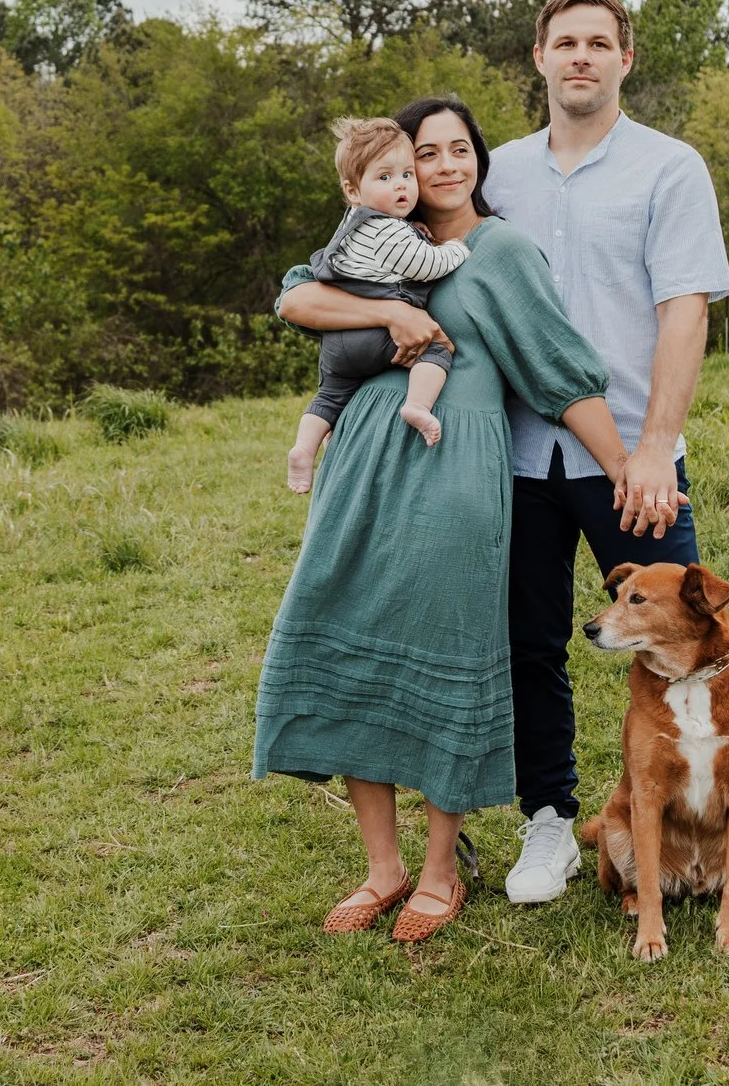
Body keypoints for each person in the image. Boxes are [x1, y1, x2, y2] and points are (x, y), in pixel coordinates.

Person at [256, 97, 676, 942]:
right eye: (422, 155)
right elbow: (295, 298)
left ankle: (442, 869)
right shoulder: (371, 235)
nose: (440, 168)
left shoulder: (498, 250)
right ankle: (383, 866)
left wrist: (626, 462)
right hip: (361, 461)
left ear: (477, 159)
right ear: (394, 169)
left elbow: (559, 374)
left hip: (453, 462)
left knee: (450, 646)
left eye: (456, 151)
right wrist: (389, 311)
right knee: (333, 626)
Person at [490, 0, 729, 907]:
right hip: (513, 451)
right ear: (540, 59)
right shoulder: (496, 175)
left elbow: (685, 309)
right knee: (531, 644)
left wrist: (656, 445)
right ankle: (549, 822)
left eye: (598, 43)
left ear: (626, 60)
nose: (580, 56)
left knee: (696, 640)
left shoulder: (671, 168)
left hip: (631, 457)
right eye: (565, 42)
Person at [285, 117, 468, 494]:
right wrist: (456, 248)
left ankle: (303, 449)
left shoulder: (353, 224)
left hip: (338, 346)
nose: (400, 184)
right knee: (436, 349)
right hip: (375, 336)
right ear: (352, 191)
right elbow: (425, 265)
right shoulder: (386, 229)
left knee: (329, 396)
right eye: (384, 177)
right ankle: (418, 405)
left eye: (406, 174)